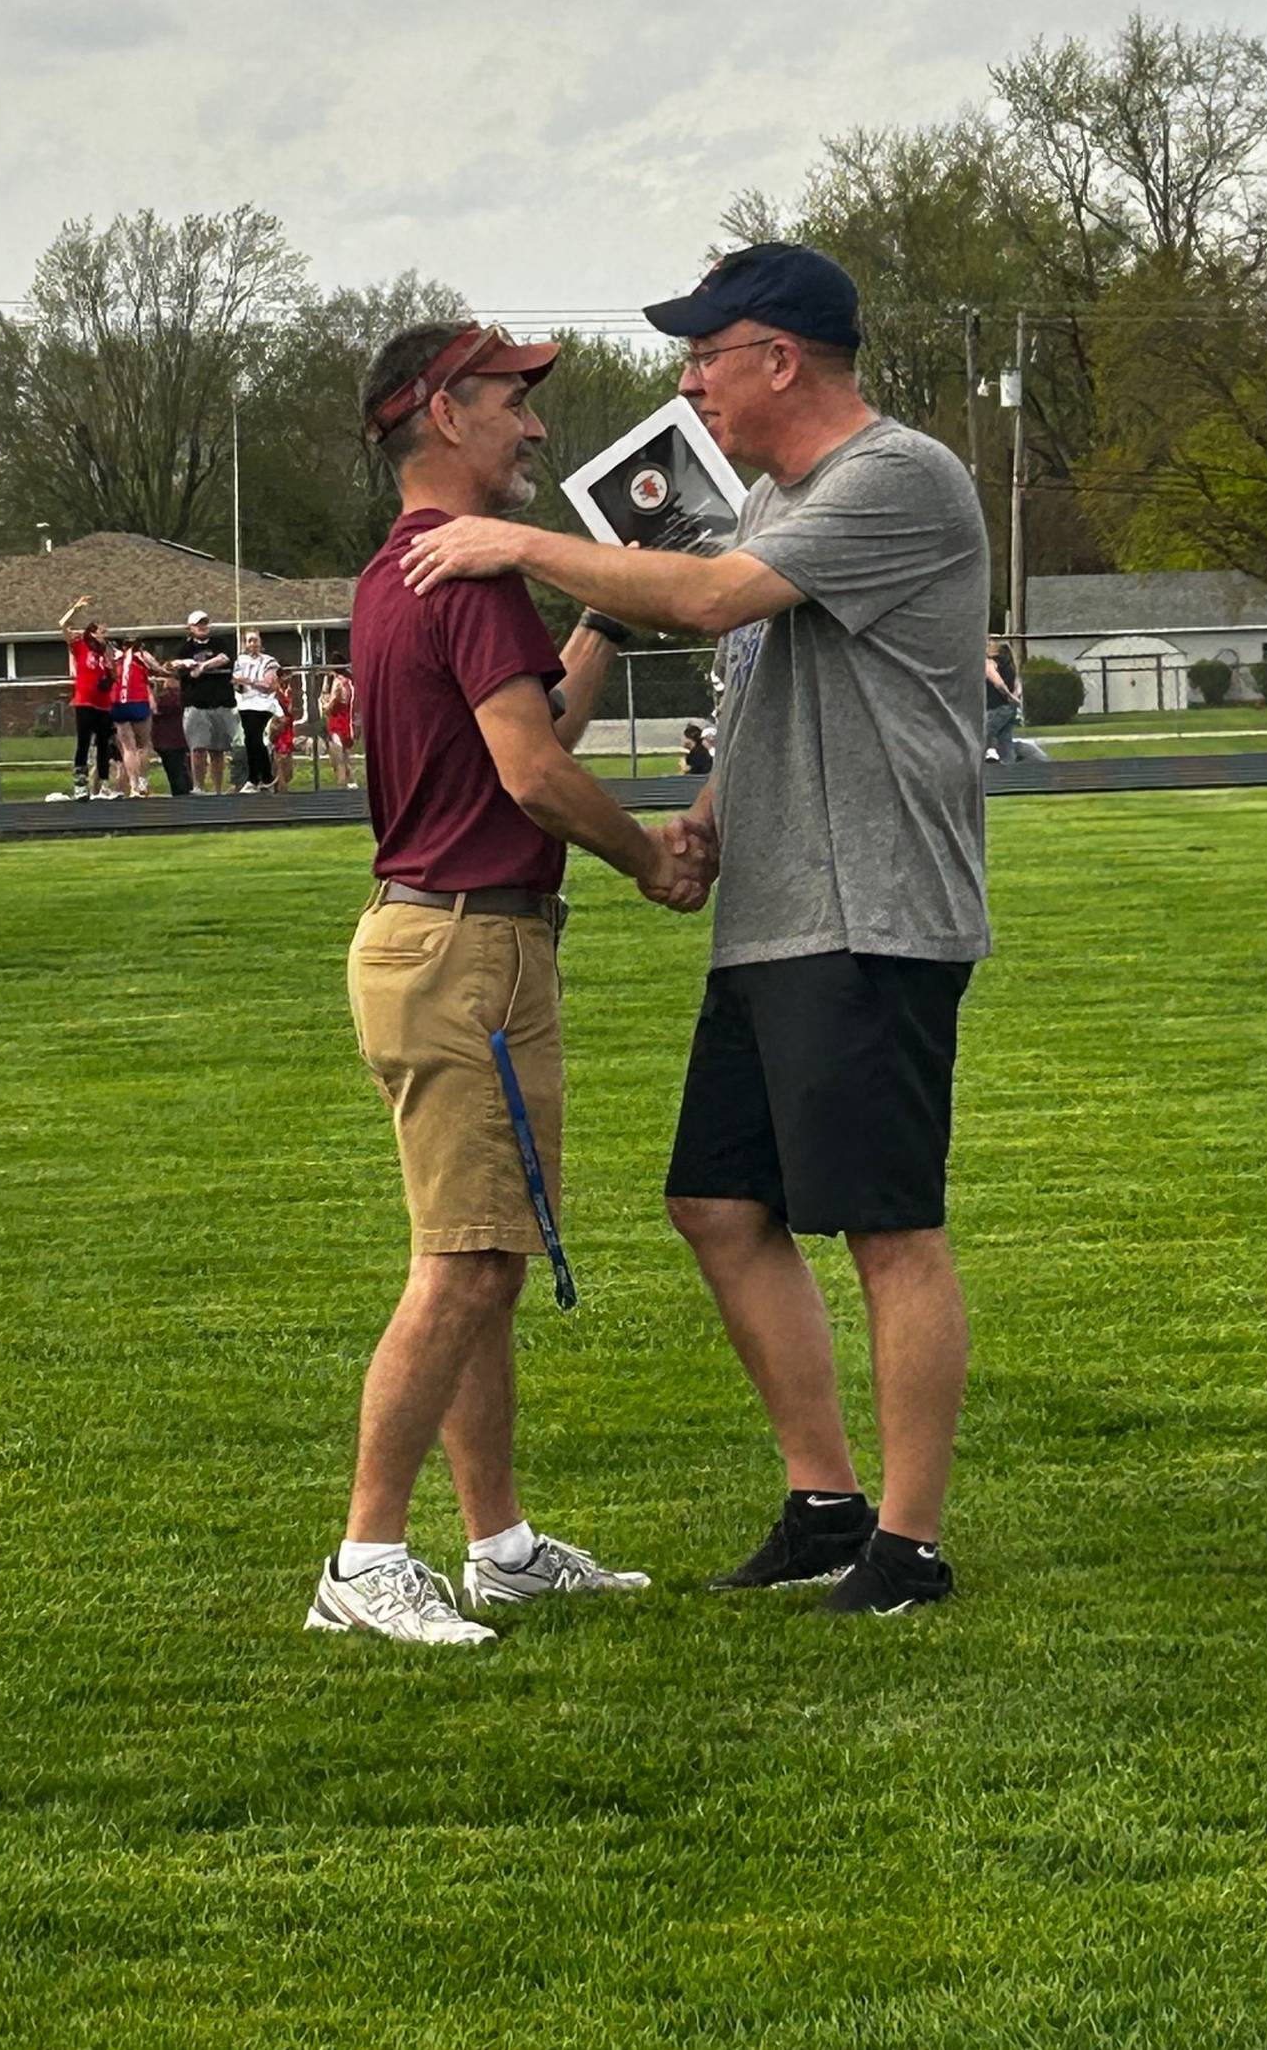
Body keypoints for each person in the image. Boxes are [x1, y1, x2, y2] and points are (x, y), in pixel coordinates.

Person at [400, 245, 991, 1619]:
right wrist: (715, 813)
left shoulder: (894, 476)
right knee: (718, 1203)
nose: (687, 380)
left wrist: (519, 544)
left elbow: (716, 601)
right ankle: (824, 1499)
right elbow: (778, 680)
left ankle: (909, 1543)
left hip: (871, 909)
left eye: (704, 353)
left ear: (779, 359)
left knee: (887, 1225)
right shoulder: (785, 499)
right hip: (777, 911)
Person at [305, 318, 706, 1649]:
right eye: (511, 400)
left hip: (442, 940)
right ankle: (365, 1554)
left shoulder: (403, 575)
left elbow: (537, 734)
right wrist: (650, 857)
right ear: (441, 416)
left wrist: (596, 607)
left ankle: (503, 1544)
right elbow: (534, 779)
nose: (536, 425)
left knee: (485, 1256)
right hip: (469, 946)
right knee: (469, 1260)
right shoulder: (468, 579)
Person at [57, 595, 119, 799]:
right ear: (93, 633)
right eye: (102, 632)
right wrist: (76, 608)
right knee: (83, 742)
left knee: (104, 744)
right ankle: (80, 785)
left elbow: (112, 676)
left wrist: (110, 676)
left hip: (103, 704)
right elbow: (63, 625)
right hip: (85, 701)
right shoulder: (80, 646)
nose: (105, 635)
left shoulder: (105, 653)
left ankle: (104, 786)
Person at [171, 611, 238, 792]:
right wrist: (190, 666)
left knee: (218, 750)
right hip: (196, 705)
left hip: (221, 703)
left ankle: (217, 789)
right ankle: (198, 787)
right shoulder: (184, 649)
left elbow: (225, 658)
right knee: (198, 749)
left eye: (205, 623)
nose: (202, 626)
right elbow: (181, 669)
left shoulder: (220, 643)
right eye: (198, 624)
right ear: (191, 627)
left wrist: (203, 666)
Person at [110, 634, 163, 797]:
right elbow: (159, 668)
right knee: (143, 744)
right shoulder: (142, 655)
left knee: (128, 747)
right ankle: (142, 781)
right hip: (138, 700)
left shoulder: (114, 657)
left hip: (118, 701)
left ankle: (133, 785)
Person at [233, 628, 280, 794]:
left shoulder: (269, 661)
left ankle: (260, 777)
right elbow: (237, 682)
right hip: (246, 704)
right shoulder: (240, 660)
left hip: (263, 704)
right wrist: (239, 683)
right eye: (249, 641)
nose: (253, 644)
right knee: (250, 740)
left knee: (255, 737)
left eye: (255, 640)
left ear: (260, 642)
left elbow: (268, 685)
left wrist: (249, 681)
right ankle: (260, 778)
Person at [150, 679, 192, 796]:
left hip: (168, 741)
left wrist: (153, 690)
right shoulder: (180, 698)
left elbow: (155, 709)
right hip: (173, 740)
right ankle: (185, 790)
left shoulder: (168, 699)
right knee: (179, 769)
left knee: (176, 771)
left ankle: (182, 793)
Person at [320, 657, 355, 787]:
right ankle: (351, 781)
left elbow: (332, 703)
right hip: (346, 719)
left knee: (337, 754)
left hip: (337, 720)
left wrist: (324, 706)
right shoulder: (348, 682)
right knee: (346, 754)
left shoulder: (337, 682)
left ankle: (342, 783)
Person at [985, 638, 1019, 765]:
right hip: (1009, 708)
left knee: (981, 736)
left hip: (996, 707)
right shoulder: (1010, 663)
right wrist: (1015, 697)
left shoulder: (990, 662)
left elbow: (996, 681)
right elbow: (1017, 683)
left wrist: (1009, 695)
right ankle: (1010, 768)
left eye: (989, 643)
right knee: (1005, 740)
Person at [271, 664, 298, 791]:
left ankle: (281, 784)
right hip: (280, 727)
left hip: (288, 728)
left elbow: (291, 710)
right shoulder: (276, 692)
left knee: (288, 768)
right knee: (280, 759)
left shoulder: (287, 691)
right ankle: (281, 788)